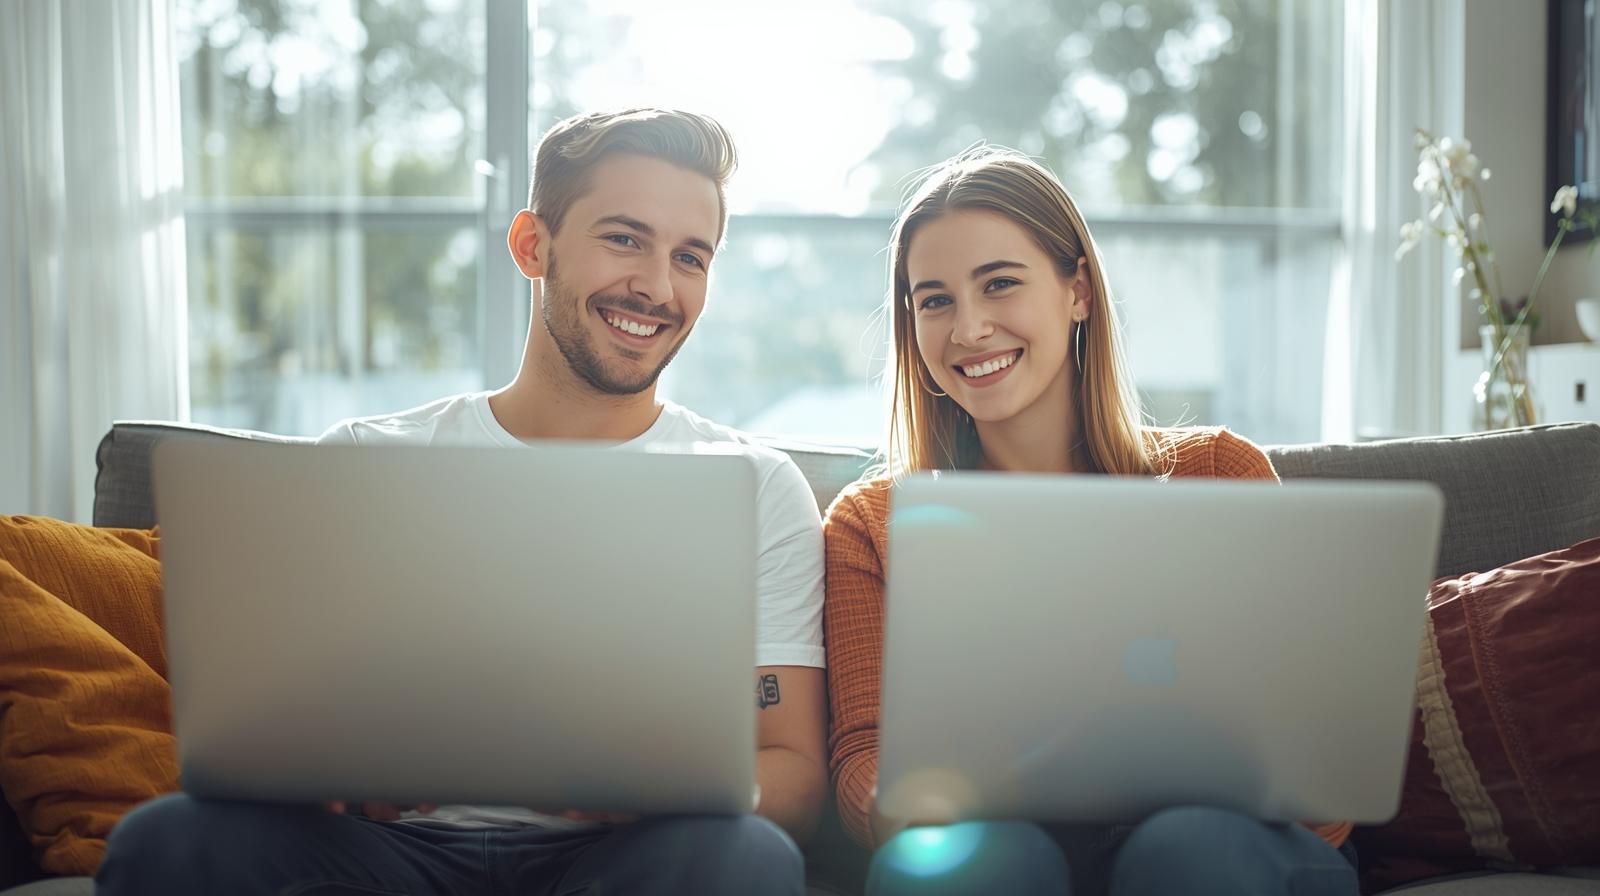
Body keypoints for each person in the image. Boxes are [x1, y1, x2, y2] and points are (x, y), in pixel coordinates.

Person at [97, 108, 826, 896]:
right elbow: (286, 736)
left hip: (627, 859)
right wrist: (333, 775)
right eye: (624, 238)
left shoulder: (757, 483)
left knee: (747, 859)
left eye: (691, 257)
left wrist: (658, 797)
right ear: (531, 246)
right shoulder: (366, 460)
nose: (656, 286)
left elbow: (791, 772)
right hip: (389, 855)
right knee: (169, 842)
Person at [821, 147, 1360, 896]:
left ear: (1077, 291)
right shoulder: (872, 523)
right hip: (1003, 844)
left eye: (1000, 284)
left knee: (1185, 849)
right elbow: (862, 758)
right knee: (981, 861)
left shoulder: (1217, 475)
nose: (969, 328)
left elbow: (1318, 766)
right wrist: (915, 805)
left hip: (1220, 848)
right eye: (934, 300)